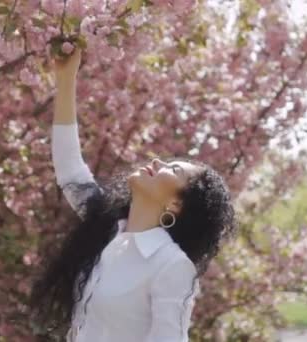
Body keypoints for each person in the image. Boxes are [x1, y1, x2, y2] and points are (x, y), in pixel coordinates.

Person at [29, 46, 236, 341]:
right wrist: (66, 78)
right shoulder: (107, 231)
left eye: (174, 170)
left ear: (176, 204)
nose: (156, 161)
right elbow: (70, 171)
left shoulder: (171, 265)